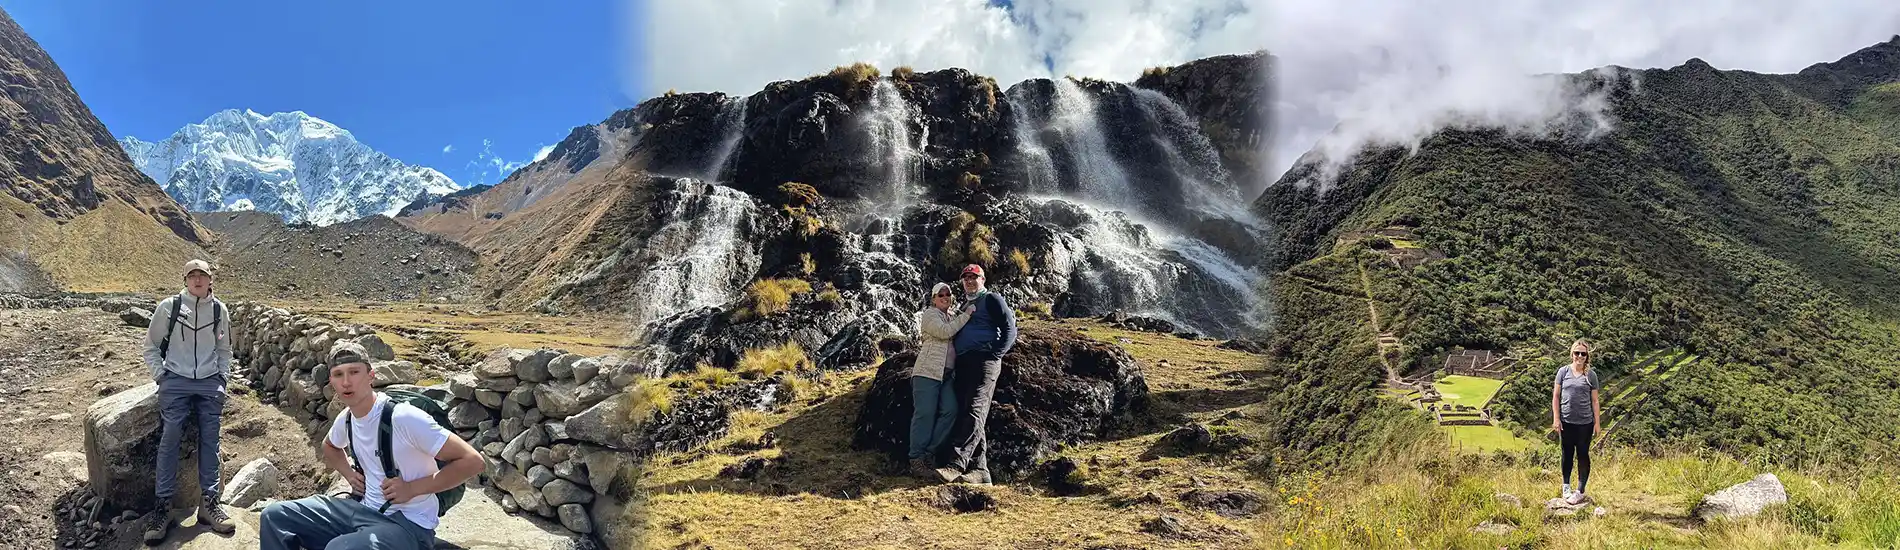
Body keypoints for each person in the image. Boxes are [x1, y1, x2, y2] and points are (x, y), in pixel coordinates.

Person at [258, 342, 485, 550]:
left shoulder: (403, 418)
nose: (346, 382)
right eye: (338, 374)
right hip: (363, 510)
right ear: (332, 382)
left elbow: (473, 462)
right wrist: (350, 475)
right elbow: (330, 446)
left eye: (354, 372)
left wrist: (411, 489)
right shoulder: (347, 419)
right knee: (275, 516)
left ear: (371, 376)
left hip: (408, 524)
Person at [142, 259, 235, 545]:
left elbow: (224, 349)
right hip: (176, 380)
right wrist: (161, 377)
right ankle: (163, 507)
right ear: (185, 280)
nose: (197, 280)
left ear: (210, 280)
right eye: (192, 275)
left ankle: (209, 504)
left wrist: (222, 379)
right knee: (170, 436)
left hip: (209, 382)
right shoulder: (169, 307)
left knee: (211, 438)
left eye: (202, 275)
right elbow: (151, 346)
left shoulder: (219, 310)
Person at [935, 264, 1018, 484]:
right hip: (964, 363)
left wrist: (995, 354)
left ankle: (956, 464)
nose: (970, 281)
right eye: (966, 278)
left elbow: (1010, 328)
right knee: (969, 412)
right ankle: (981, 471)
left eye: (974, 277)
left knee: (975, 408)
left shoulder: (991, 299)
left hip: (984, 360)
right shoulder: (964, 305)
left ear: (983, 280)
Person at [909, 282, 973, 479]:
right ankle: (916, 459)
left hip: (946, 376)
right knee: (925, 414)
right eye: (941, 294)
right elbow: (945, 332)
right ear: (933, 299)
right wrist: (967, 315)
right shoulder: (930, 314)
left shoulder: (952, 316)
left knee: (950, 410)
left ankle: (929, 453)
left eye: (948, 294)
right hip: (927, 372)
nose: (945, 297)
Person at [1551, 339, 1601, 505]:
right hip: (1566, 421)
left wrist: (1597, 423)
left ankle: (1580, 490)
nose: (1580, 356)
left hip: (1585, 423)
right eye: (1577, 353)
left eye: (1583, 354)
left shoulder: (1591, 375)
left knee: (1583, 455)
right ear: (1572, 354)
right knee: (1566, 454)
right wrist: (1556, 418)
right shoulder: (1563, 372)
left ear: (1587, 356)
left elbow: (1595, 400)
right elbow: (1556, 396)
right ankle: (1566, 486)